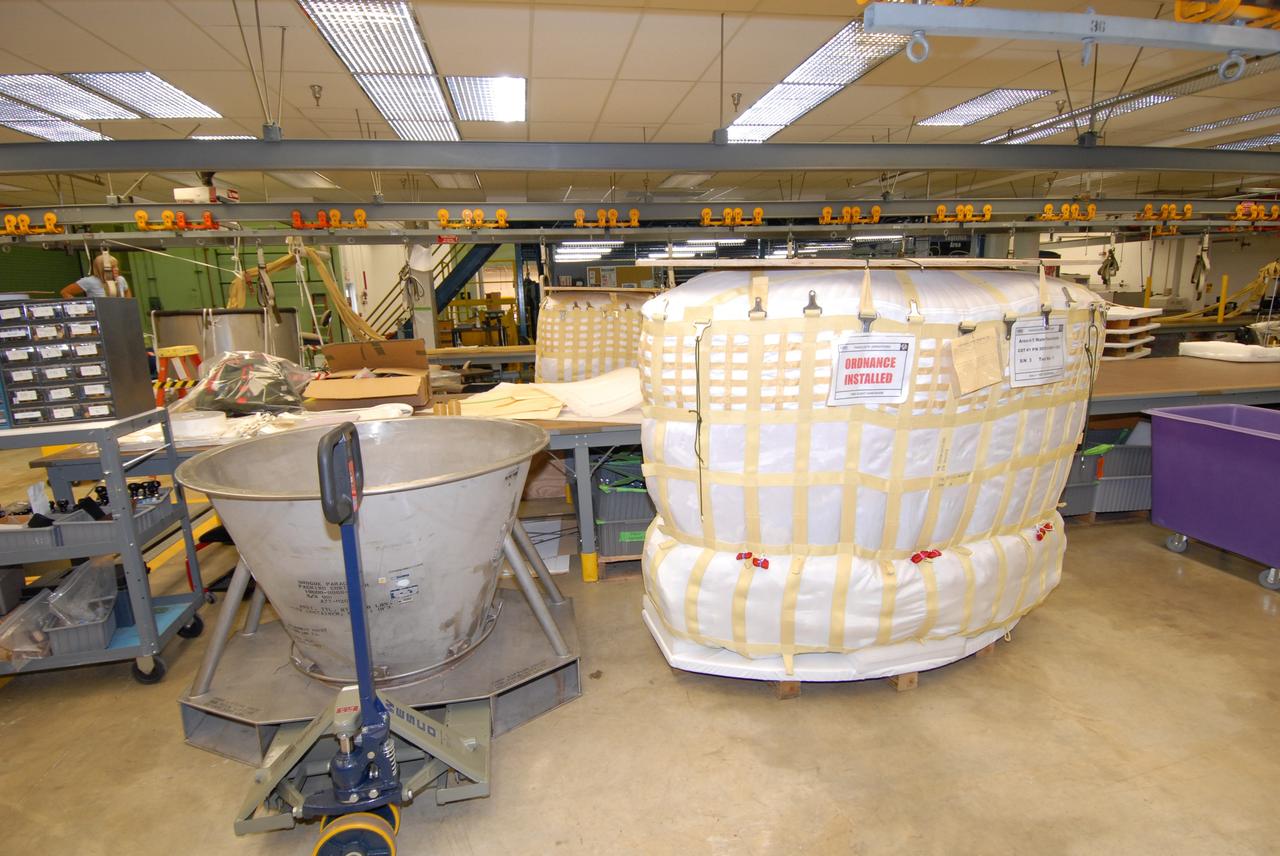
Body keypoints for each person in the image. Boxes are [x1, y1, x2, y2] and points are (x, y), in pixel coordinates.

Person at [61, 254, 131, 299]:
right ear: (103, 269)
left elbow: (127, 293)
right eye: (113, 267)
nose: (117, 269)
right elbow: (65, 292)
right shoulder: (90, 281)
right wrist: (82, 308)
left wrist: (128, 308)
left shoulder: (121, 280)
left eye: (117, 266)